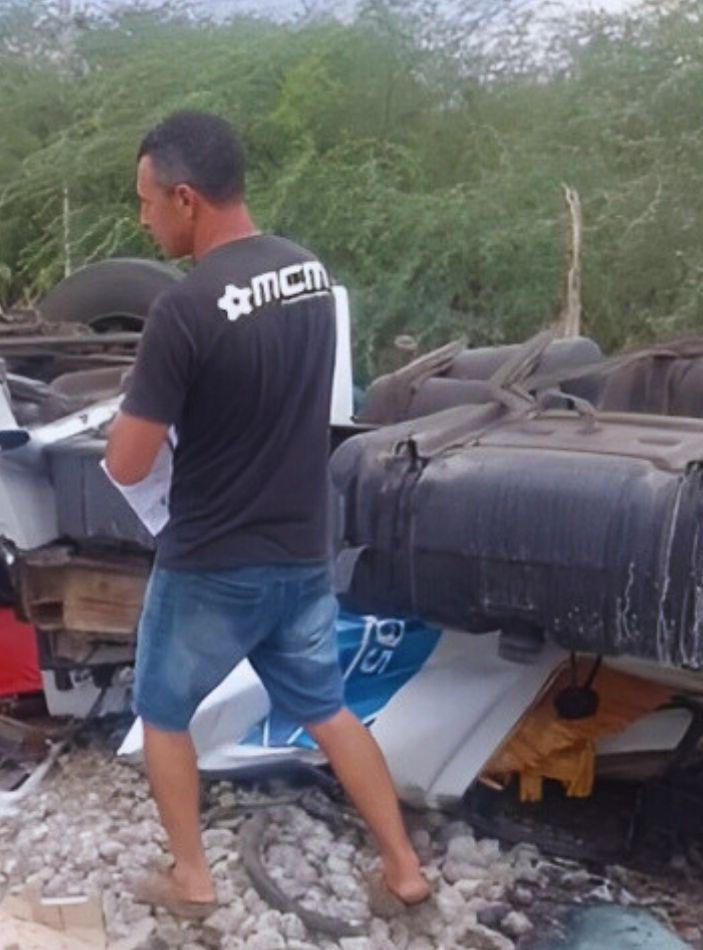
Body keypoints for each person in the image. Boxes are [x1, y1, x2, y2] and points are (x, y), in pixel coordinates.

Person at [105, 111, 431, 916]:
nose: (143, 219)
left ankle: (192, 879)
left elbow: (127, 463)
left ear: (186, 198)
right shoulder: (307, 273)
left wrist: (131, 414)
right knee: (325, 708)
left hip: (213, 561)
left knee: (163, 711)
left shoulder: (184, 311)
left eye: (147, 202)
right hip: (300, 551)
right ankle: (403, 870)